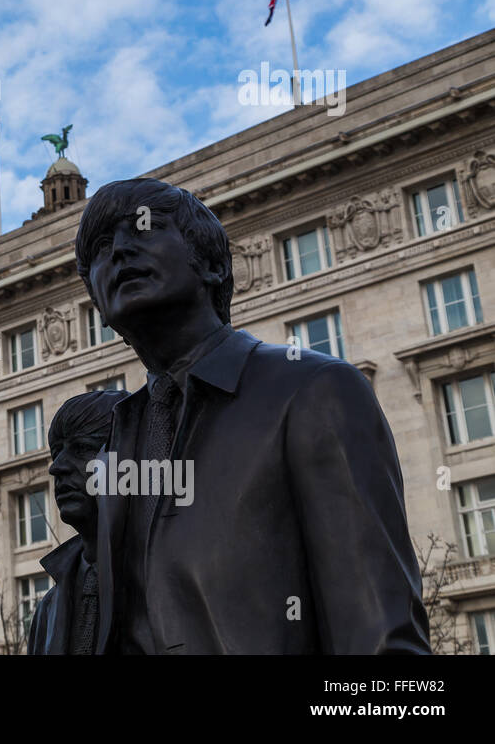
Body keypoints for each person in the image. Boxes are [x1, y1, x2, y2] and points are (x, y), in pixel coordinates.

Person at [74, 177, 429, 654]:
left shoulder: (312, 389)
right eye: (100, 247)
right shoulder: (114, 444)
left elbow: (380, 637)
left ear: (214, 265)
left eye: (144, 228)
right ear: (96, 306)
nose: (118, 250)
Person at [28, 389, 126, 655]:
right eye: (56, 453)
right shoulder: (48, 609)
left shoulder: (168, 581)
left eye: (82, 449)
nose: (56, 467)